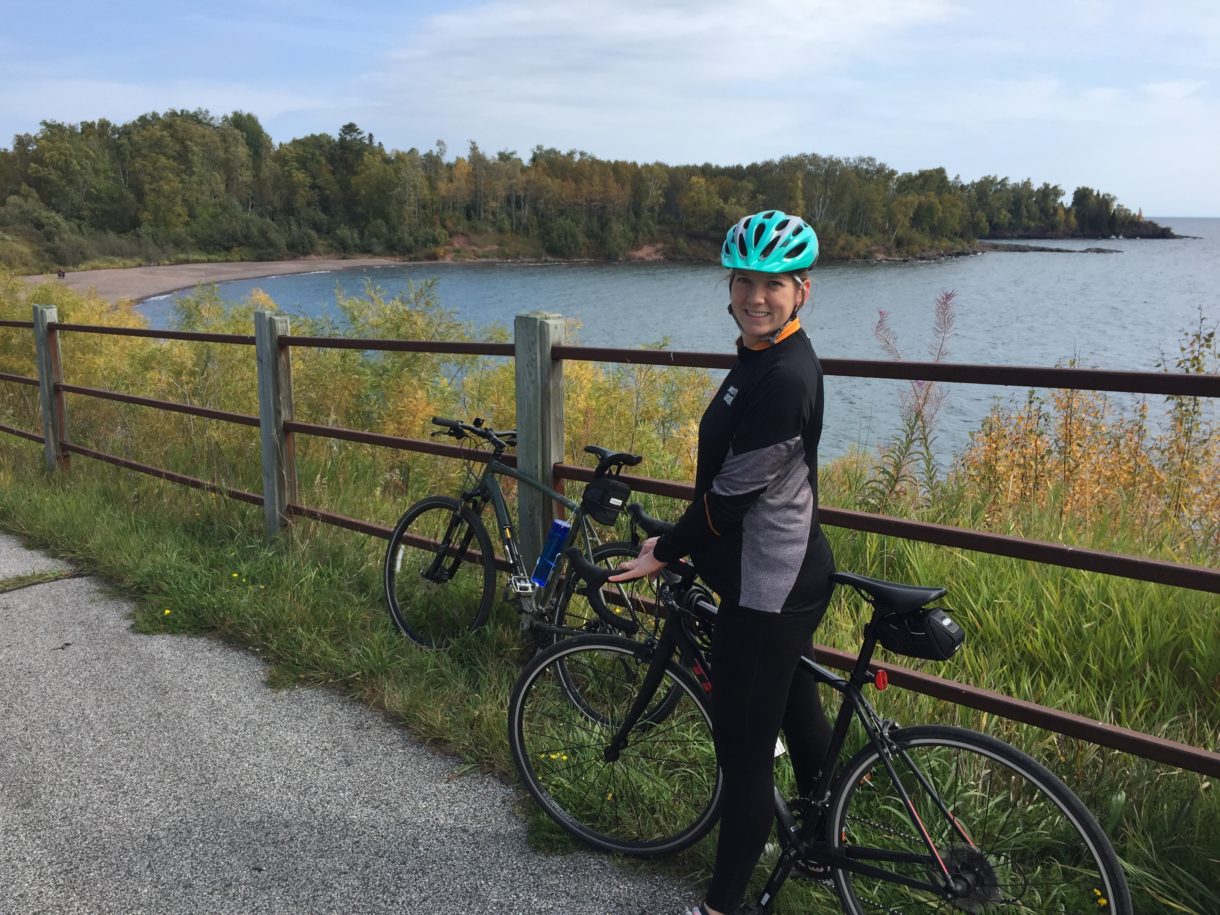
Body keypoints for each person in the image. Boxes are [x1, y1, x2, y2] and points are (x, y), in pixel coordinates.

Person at [611, 210, 836, 915]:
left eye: (774, 283)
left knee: (743, 755)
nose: (756, 295)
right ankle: (822, 845)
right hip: (785, 573)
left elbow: (729, 500)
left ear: (802, 291)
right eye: (745, 280)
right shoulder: (760, 360)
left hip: (769, 587)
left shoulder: (784, 377)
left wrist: (666, 550)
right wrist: (687, 547)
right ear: (731, 285)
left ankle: (721, 905)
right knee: (795, 707)